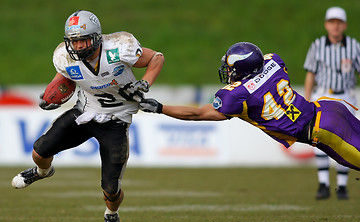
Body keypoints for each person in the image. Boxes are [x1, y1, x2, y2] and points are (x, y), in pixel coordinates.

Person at [11, 10, 164, 222]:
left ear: (97, 37)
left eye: (84, 40)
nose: (79, 46)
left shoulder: (120, 46)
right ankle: (43, 172)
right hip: (84, 113)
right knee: (39, 149)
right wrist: (52, 95)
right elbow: (63, 77)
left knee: (111, 188)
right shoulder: (64, 56)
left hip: (116, 120)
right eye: (74, 41)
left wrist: (144, 83)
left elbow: (156, 58)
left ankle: (111, 215)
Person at [139, 42, 360, 176]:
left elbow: (198, 113)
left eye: (230, 67)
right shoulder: (273, 61)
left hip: (324, 130)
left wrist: (160, 107)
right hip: (330, 109)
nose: (228, 71)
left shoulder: (236, 94)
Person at [304, 6, 360, 200]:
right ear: (327, 24)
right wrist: (307, 98)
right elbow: (311, 74)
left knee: (345, 141)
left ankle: (342, 186)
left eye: (339, 22)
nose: (335, 26)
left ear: (344, 25)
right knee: (319, 138)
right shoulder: (317, 46)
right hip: (323, 96)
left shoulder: (354, 46)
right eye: (332, 22)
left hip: (347, 98)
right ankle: (323, 184)